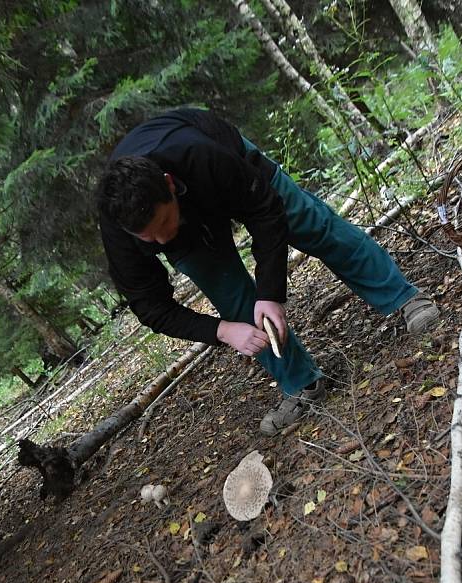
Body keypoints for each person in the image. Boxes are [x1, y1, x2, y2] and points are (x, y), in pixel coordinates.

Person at [97, 107, 439, 436]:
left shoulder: (201, 155)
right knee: (232, 295)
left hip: (230, 170)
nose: (161, 238)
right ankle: (303, 383)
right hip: (194, 229)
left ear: (169, 185)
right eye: (149, 238)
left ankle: (403, 298)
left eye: (163, 223)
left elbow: (265, 211)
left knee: (313, 226)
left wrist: (272, 294)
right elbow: (151, 309)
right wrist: (222, 330)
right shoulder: (119, 229)